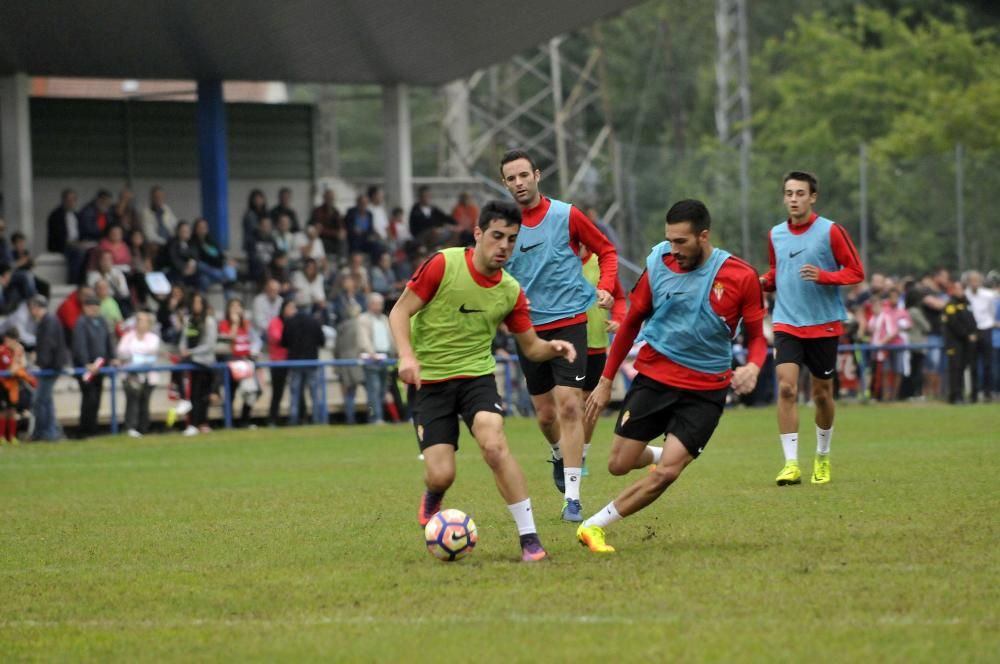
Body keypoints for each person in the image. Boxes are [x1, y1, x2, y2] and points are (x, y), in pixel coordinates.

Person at [389, 199, 578, 562]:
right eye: (496, 236)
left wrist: (552, 348)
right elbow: (399, 311)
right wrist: (407, 356)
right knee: (441, 475)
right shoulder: (443, 265)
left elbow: (531, 347)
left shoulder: (509, 291)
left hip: (477, 377)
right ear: (478, 234)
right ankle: (434, 494)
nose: (504, 246)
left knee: (494, 445)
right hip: (429, 381)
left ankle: (530, 538)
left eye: (512, 238)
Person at [577, 199, 767, 553]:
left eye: (681, 242)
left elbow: (757, 338)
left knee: (668, 473)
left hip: (706, 390)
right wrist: (605, 381)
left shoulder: (740, 276)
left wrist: (753, 366)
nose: (673, 249)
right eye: (670, 240)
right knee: (619, 464)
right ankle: (660, 453)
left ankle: (594, 525)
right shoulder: (659, 263)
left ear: (703, 236)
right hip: (655, 377)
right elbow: (632, 321)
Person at [499, 149, 618, 522]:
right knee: (545, 413)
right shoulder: (505, 227)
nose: (519, 183)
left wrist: (608, 287)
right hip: (529, 329)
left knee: (569, 404)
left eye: (523, 175)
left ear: (537, 175)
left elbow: (607, 250)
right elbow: (492, 269)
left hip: (570, 321)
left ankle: (573, 497)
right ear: (505, 183)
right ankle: (557, 453)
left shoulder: (566, 215)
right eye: (511, 179)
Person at [760, 171, 864, 486]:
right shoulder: (775, 234)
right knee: (788, 388)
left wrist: (825, 276)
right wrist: (760, 282)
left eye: (800, 193)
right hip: (787, 322)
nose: (794, 199)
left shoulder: (830, 231)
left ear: (812, 197)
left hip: (824, 325)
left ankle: (822, 455)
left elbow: (856, 271)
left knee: (821, 395)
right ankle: (791, 464)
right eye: (789, 193)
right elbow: (778, 272)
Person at [579, 243, 626, 472]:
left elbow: (619, 296)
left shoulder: (600, 262)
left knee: (589, 404)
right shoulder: (557, 260)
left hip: (596, 345)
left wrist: (618, 318)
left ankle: (581, 456)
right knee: (566, 403)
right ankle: (563, 451)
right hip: (563, 343)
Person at [72, 294, 115, 439]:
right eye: (91, 307)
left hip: (100, 366)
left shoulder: (102, 321)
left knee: (97, 397)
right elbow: (80, 345)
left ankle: (93, 427)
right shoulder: (81, 323)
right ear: (85, 308)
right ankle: (84, 429)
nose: (94, 310)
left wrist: (112, 357)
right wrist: (86, 363)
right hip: (86, 369)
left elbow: (108, 340)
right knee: (88, 398)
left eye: (96, 307)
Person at [281, 299, 326, 425]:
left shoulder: (289, 321)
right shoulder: (314, 321)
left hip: (295, 361)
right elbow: (322, 341)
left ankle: (293, 420)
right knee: (314, 393)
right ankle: (317, 419)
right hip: (311, 361)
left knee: (295, 393)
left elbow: (284, 342)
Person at [116, 310, 160, 438]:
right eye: (139, 320)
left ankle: (144, 428)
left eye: (144, 320)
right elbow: (121, 352)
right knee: (132, 400)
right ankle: (131, 427)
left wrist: (134, 356)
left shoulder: (153, 338)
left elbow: (151, 353)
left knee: (145, 401)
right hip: (130, 376)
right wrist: (137, 356)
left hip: (148, 376)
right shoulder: (128, 336)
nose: (141, 323)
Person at [179, 292, 217, 435]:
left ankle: (201, 422)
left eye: (199, 303)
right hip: (192, 361)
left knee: (202, 394)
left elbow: (210, 344)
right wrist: (183, 349)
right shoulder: (188, 320)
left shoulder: (209, 321)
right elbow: (184, 339)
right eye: (194, 302)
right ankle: (193, 423)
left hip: (204, 363)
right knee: (193, 394)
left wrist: (191, 352)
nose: (196, 306)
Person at [29, 295, 66, 441]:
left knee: (41, 401)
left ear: (36, 307)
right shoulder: (50, 320)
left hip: (50, 367)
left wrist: (40, 363)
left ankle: (46, 432)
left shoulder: (48, 322)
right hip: (52, 365)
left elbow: (48, 345)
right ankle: (49, 431)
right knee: (46, 400)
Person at [357, 292, 396, 424]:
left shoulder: (384, 319)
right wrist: (371, 352)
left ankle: (378, 416)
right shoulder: (363, 319)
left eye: (381, 304)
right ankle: (375, 417)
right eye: (377, 304)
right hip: (371, 358)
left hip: (385, 357)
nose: (379, 306)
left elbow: (390, 338)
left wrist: (396, 351)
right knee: (373, 389)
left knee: (383, 389)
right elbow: (364, 338)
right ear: (370, 304)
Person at [942, 280, 977, 404]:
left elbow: (972, 320)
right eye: (955, 288)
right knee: (955, 368)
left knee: (963, 368)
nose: (957, 291)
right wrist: (967, 334)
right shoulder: (951, 304)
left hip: (965, 342)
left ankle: (961, 394)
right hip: (954, 342)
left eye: (959, 288)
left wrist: (974, 333)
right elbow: (953, 323)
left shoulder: (967, 303)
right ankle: (954, 395)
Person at [964, 271, 995, 402]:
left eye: (976, 280)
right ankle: (974, 393)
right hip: (972, 330)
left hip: (985, 327)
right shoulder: (965, 295)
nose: (974, 283)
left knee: (987, 363)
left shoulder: (988, 295)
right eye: (972, 281)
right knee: (973, 363)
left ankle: (987, 392)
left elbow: (991, 310)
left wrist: (989, 322)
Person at [266, 298, 296, 426]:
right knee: (277, 392)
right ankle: (273, 418)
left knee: (297, 390)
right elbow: (276, 338)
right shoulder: (276, 322)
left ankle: (298, 417)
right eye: (290, 307)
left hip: (293, 359)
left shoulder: (295, 322)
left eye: (294, 308)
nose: (292, 310)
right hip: (278, 361)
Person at [0, 329, 32, 444]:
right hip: (3, 385)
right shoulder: (3, 351)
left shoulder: (17, 351)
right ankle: (2, 437)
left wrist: (19, 355)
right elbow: (11, 369)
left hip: (13, 385)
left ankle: (12, 437)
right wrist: (17, 356)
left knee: (12, 411)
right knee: (3, 411)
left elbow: (23, 365)